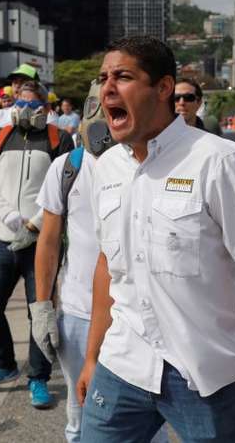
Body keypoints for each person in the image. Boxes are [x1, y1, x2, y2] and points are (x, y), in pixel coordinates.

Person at [77, 36, 235, 441]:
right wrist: (92, 357)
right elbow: (108, 267)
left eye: (123, 76)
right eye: (103, 78)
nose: (107, 89)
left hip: (203, 376)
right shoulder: (106, 169)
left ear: (163, 87)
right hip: (122, 365)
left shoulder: (216, 161)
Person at [32, 81, 150, 442]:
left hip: (138, 318)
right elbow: (49, 241)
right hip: (79, 313)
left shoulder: (149, 165)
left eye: (116, 103)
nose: (104, 113)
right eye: (98, 104)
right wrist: (41, 306)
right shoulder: (66, 167)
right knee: (79, 413)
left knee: (144, 422)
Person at [0, 79, 73, 408]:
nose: (24, 110)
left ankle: (39, 377)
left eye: (32, 105)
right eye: (20, 103)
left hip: (41, 241)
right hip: (3, 238)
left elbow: (67, 188)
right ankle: (3, 365)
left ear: (44, 107)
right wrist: (12, 217)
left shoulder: (60, 139)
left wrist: (37, 223)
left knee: (39, 311)